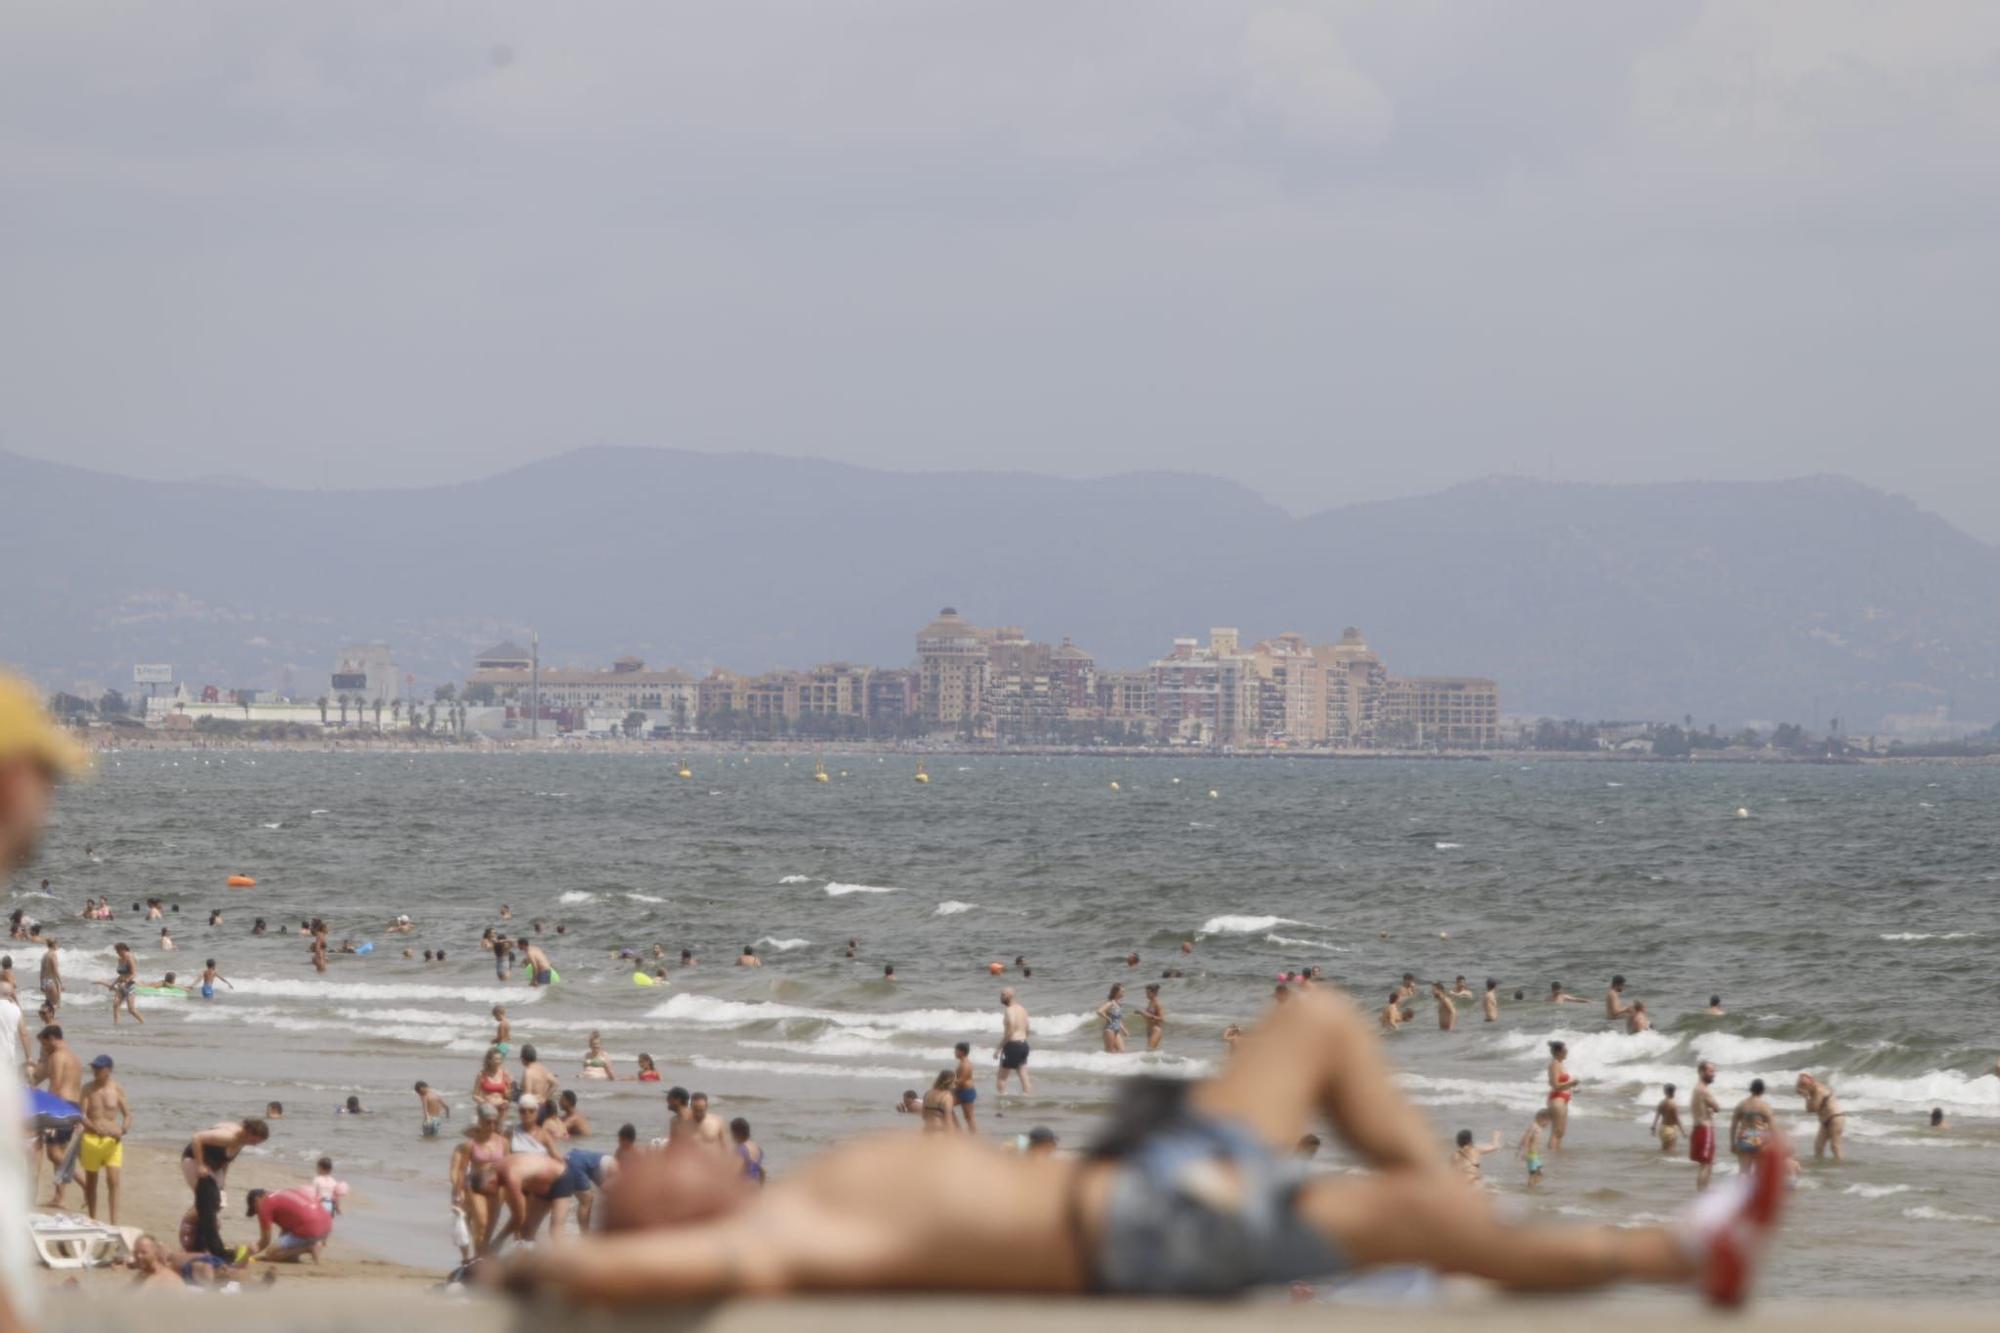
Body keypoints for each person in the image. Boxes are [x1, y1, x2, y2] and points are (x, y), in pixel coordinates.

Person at [497, 985, 1791, 1308]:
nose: (694, 1137)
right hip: (1146, 1230)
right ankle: (1678, 1249)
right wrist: (556, 1274)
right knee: (1430, 1227)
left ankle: (1441, 1192)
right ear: (673, 1215)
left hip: (1140, 1180)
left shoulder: (776, 1205)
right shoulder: (767, 1240)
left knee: (1320, 1019)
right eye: (670, 1160)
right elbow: (609, 1278)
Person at [30, 1023, 83, 1206]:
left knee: (54, 1154)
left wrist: (46, 1110)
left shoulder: (57, 1056)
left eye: (44, 1044)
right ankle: (59, 1197)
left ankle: (85, 1184)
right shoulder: (73, 1057)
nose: (44, 1048)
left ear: (52, 1039)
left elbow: (56, 1086)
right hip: (74, 1105)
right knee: (58, 1152)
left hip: (60, 1106)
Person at [78, 1054, 131, 1223]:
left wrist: (123, 1129)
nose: (95, 1071)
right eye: (94, 1067)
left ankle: (113, 1221)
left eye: (99, 1068)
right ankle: (93, 1218)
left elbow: (128, 1114)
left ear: (108, 1070)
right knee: (92, 1181)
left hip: (112, 1141)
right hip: (92, 1139)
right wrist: (93, 1128)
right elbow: (82, 1115)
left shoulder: (116, 1089)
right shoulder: (87, 1089)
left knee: (113, 1180)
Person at [246, 1185, 333, 1263]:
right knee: (283, 1250)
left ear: (257, 1200)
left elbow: (265, 1241)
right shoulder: (281, 1192)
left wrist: (246, 1255)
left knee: (271, 1253)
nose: (258, 1213)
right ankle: (305, 1248)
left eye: (255, 1210)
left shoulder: (264, 1205)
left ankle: (309, 1248)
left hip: (311, 1227)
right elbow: (288, 1225)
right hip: (327, 1224)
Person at [1729, 1079, 1778, 1176]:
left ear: (1751, 1089)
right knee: (1759, 1172)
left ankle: (1742, 1190)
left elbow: (1733, 1126)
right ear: (1762, 1090)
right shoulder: (1765, 1106)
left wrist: (1732, 1143)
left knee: (1743, 1171)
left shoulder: (1741, 1104)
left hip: (1745, 1136)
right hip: (1759, 1137)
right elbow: (1773, 1128)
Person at [1794, 1074, 1845, 1163]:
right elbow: (1809, 1108)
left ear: (1810, 1084)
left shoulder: (1818, 1090)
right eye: (1801, 1086)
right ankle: (1820, 1168)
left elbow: (1813, 1108)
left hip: (1835, 1118)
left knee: (1835, 1146)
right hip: (1825, 1121)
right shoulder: (1813, 1090)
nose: (1803, 1088)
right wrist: (1805, 1094)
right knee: (1818, 1147)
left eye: (1804, 1086)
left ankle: (1841, 1167)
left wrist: (1806, 1097)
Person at [1689, 1061, 1721, 1191]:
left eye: (1714, 1071)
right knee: (1706, 1165)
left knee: (1706, 1164)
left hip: (1697, 1128)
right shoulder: (1703, 1090)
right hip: (1705, 1129)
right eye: (1711, 1071)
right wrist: (1711, 1108)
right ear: (1702, 1072)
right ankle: (1702, 1195)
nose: (1714, 1075)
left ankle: (1702, 1194)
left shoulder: (1696, 1089)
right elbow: (1717, 1107)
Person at [996, 987, 1033, 1098]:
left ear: (1010, 996)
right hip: (1024, 1044)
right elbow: (1027, 1029)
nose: (1001, 997)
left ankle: (1002, 1100)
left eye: (1003, 995)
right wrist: (1022, 1042)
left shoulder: (1009, 1010)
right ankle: (1027, 1098)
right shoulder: (1023, 1009)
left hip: (1012, 1045)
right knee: (1023, 1074)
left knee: (1002, 1077)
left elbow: (1011, 1029)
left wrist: (999, 1048)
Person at [1545, 1041, 1577, 1150]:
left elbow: (1560, 1083)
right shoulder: (1554, 1064)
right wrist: (1571, 1083)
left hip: (1563, 1099)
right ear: (1559, 1052)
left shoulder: (1560, 1064)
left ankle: (1556, 1156)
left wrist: (1570, 1085)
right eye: (1565, 1050)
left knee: (1561, 1132)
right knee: (1556, 1131)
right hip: (1557, 1099)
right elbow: (1555, 1085)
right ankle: (1552, 1155)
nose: (1567, 1052)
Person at [1517, 1108, 1552, 1188]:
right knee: (1533, 1173)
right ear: (1542, 1118)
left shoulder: (1538, 1128)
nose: (1547, 1125)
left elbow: (1525, 1138)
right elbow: (1526, 1138)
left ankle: (1532, 1186)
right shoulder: (1534, 1127)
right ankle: (1531, 1187)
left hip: (1535, 1155)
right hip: (1531, 1154)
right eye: (1547, 1122)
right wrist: (1524, 1151)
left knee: (1540, 1174)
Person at [952, 1042, 979, 1134]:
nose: (954, 1052)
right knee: (946, 1106)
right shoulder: (962, 1063)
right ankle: (957, 1129)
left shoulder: (965, 1065)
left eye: (956, 1050)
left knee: (969, 1117)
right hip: (960, 1091)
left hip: (966, 1092)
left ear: (962, 1052)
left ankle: (974, 1135)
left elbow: (962, 1081)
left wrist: (947, 1081)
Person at [730, 1118, 765, 1184]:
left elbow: (737, 1172)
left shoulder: (741, 1149)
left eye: (732, 1133)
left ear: (737, 1133)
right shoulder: (757, 1148)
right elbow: (761, 1171)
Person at [1097, 984, 1127, 1053]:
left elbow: (1118, 1019)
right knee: (1110, 1052)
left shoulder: (1119, 1004)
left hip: (1116, 1030)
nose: (1123, 993)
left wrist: (1123, 1029)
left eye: (1124, 992)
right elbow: (1099, 1011)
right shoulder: (1111, 1003)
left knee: (1122, 1051)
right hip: (1109, 1030)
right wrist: (1107, 1018)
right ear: (1116, 992)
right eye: (1122, 991)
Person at [1653, 1084, 1683, 1153]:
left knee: (1663, 1149)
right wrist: (1683, 1132)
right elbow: (1677, 1119)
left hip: (1662, 1129)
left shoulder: (1661, 1103)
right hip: (1670, 1130)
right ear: (1674, 1092)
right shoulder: (1673, 1104)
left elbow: (1656, 1117)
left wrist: (1653, 1127)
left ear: (1665, 1092)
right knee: (1671, 1152)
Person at [1140, 984, 1167, 1052]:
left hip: (1156, 1030)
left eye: (1148, 993)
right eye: (1146, 993)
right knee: (1151, 1052)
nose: (1146, 994)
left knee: (1149, 1051)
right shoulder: (1150, 1002)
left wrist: (1150, 1016)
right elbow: (1148, 1016)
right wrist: (1142, 1014)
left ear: (1154, 993)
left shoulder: (1158, 1004)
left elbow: (1162, 1018)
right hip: (1149, 1030)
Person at [39, 935, 60, 1014]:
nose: (58, 946)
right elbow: (55, 970)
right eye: (57, 944)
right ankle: (47, 1018)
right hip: (51, 981)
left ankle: (46, 1018)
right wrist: (61, 982)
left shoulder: (44, 955)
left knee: (48, 1003)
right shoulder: (53, 954)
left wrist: (41, 984)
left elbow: (41, 971)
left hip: (45, 981)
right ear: (54, 944)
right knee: (56, 1004)